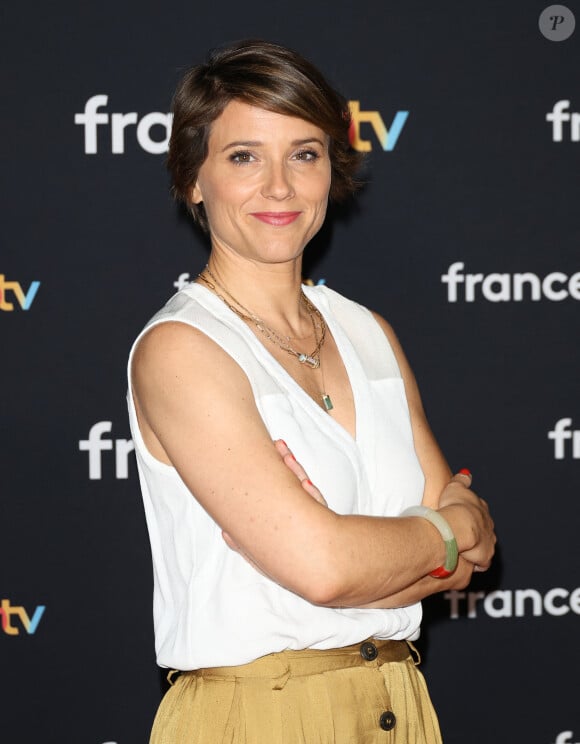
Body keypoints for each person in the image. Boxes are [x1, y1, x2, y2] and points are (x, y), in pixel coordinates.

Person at [127, 39, 496, 744]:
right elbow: (327, 570)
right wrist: (451, 529)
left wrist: (398, 552)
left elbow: (466, 569)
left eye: (304, 153)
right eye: (243, 157)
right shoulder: (181, 348)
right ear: (192, 180)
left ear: (332, 170)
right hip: (258, 714)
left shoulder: (367, 333)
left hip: (401, 701)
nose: (279, 187)